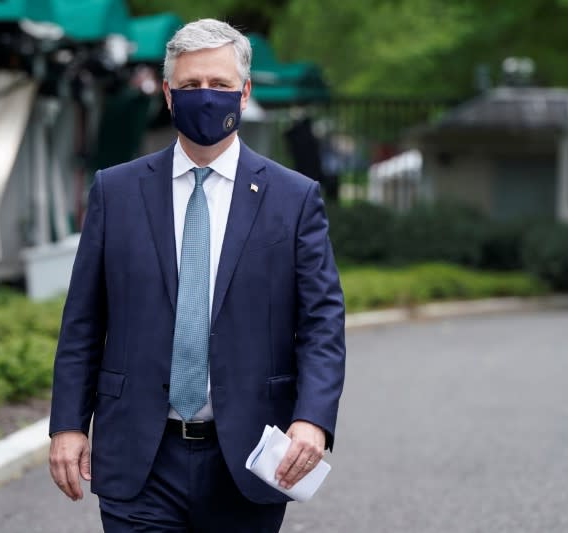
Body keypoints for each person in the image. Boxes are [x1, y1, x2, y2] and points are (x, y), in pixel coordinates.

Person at [48, 19, 346, 532]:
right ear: (167, 93)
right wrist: (68, 425)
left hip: (250, 455)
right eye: (190, 86)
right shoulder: (115, 192)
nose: (205, 97)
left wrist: (312, 418)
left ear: (245, 92)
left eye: (219, 85)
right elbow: (83, 320)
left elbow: (322, 324)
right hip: (138, 456)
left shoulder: (293, 199)